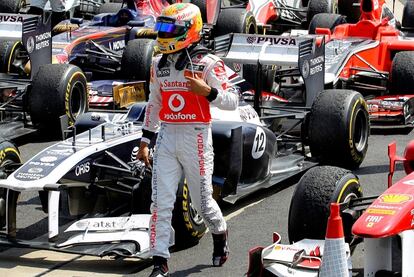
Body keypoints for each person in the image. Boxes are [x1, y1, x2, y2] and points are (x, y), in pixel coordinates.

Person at [137, 3, 239, 277]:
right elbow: (154, 103)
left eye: (169, 29)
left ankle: (220, 233)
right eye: (160, 28)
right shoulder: (158, 64)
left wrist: (207, 92)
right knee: (160, 203)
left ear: (188, 29)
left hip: (197, 136)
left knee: (203, 202)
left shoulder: (209, 63)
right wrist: (145, 140)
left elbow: (233, 100)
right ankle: (159, 262)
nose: (162, 33)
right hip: (168, 135)